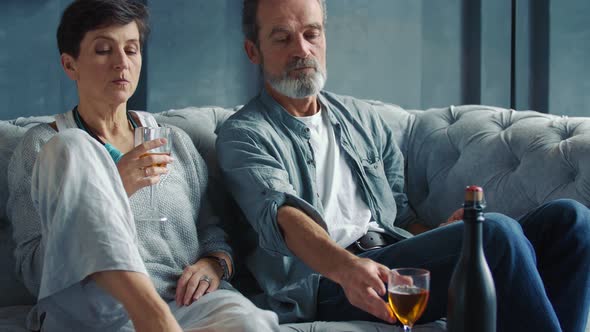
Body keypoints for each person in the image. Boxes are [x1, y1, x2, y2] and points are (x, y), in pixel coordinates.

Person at [215, 0, 590, 331]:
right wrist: (347, 268)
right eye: (282, 38)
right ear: (254, 51)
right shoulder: (244, 134)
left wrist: (437, 236)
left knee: (570, 222)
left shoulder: (363, 118)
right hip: (323, 282)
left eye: (311, 33)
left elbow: (402, 216)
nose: (302, 49)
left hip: (391, 258)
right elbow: (283, 217)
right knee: (492, 235)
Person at [6, 1, 280, 331]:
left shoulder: (175, 141)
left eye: (132, 50)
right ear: (70, 64)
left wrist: (214, 264)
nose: (121, 63)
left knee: (248, 321)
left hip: (180, 303)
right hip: (90, 306)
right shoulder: (40, 146)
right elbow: (34, 271)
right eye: (104, 50)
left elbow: (211, 233)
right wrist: (114, 188)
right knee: (71, 145)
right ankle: (149, 314)